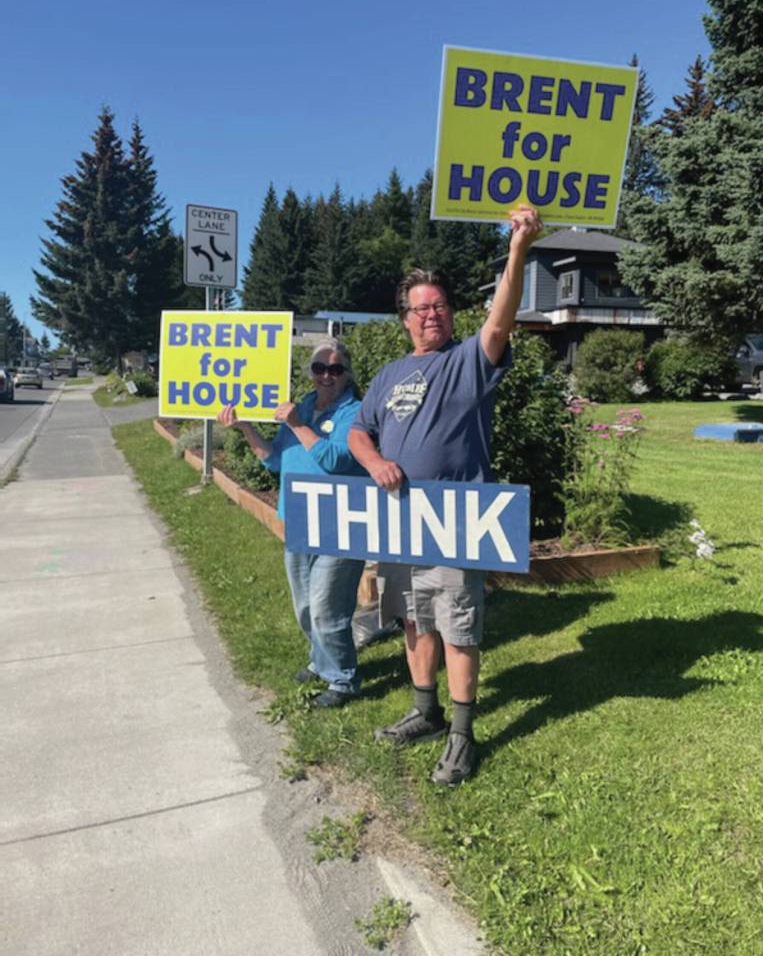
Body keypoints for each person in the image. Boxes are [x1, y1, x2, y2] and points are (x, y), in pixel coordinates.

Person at [348, 205, 543, 785]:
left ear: (449, 314)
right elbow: (360, 430)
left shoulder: (468, 363)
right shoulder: (386, 375)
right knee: (413, 621)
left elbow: (501, 321)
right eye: (421, 308)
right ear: (404, 318)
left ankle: (462, 735)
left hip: (456, 521)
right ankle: (425, 711)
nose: (431, 315)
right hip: (399, 524)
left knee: (458, 626)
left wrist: (519, 249)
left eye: (439, 306)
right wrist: (376, 460)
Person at [217, 339, 365, 708]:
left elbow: (335, 459)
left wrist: (298, 424)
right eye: (319, 368)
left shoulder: (356, 413)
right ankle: (320, 662)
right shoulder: (300, 408)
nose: (326, 376)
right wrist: (245, 426)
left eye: (335, 369)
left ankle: (343, 680)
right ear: (310, 373)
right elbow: (273, 460)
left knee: (326, 606)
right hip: (300, 518)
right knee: (304, 604)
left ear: (347, 374)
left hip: (341, 521)